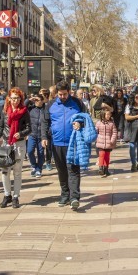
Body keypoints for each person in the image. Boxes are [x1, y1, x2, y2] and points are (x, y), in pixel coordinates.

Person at [41, 81, 86, 210]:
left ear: (69, 92)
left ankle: (74, 198)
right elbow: (45, 122)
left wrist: (80, 123)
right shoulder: (50, 104)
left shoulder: (78, 103)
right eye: (60, 94)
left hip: (73, 142)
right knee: (61, 171)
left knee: (73, 170)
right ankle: (65, 195)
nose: (62, 97)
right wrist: (44, 137)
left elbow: (86, 118)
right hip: (57, 143)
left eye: (65, 94)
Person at [0, 88, 30, 208]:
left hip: (19, 144)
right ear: (9, 98)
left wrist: (21, 134)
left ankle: (15, 197)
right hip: (6, 144)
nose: (15, 101)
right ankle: (7, 195)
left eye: (17, 98)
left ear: (20, 99)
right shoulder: (5, 112)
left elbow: (29, 128)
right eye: (13, 98)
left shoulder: (24, 111)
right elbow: (1, 127)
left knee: (17, 172)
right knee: (4, 170)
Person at [124, 91, 138, 172]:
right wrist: (136, 116)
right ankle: (133, 163)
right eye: (136, 97)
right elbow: (127, 117)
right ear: (133, 98)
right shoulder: (128, 106)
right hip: (131, 128)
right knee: (132, 146)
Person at [95, 105, 118, 176]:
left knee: (107, 156)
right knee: (101, 155)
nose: (109, 116)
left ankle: (106, 169)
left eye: (109, 114)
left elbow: (114, 132)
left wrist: (112, 140)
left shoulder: (111, 123)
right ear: (103, 115)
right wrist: (96, 138)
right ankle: (100, 168)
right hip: (100, 143)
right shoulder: (99, 123)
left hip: (108, 143)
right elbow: (95, 131)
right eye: (107, 114)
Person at [27, 94, 45, 178]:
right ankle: (34, 165)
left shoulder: (45, 109)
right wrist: (30, 99)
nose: (36, 102)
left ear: (42, 101)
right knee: (30, 151)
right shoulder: (31, 109)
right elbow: (24, 105)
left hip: (42, 135)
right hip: (32, 134)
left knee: (40, 153)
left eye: (38, 100)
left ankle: (39, 169)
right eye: (35, 100)